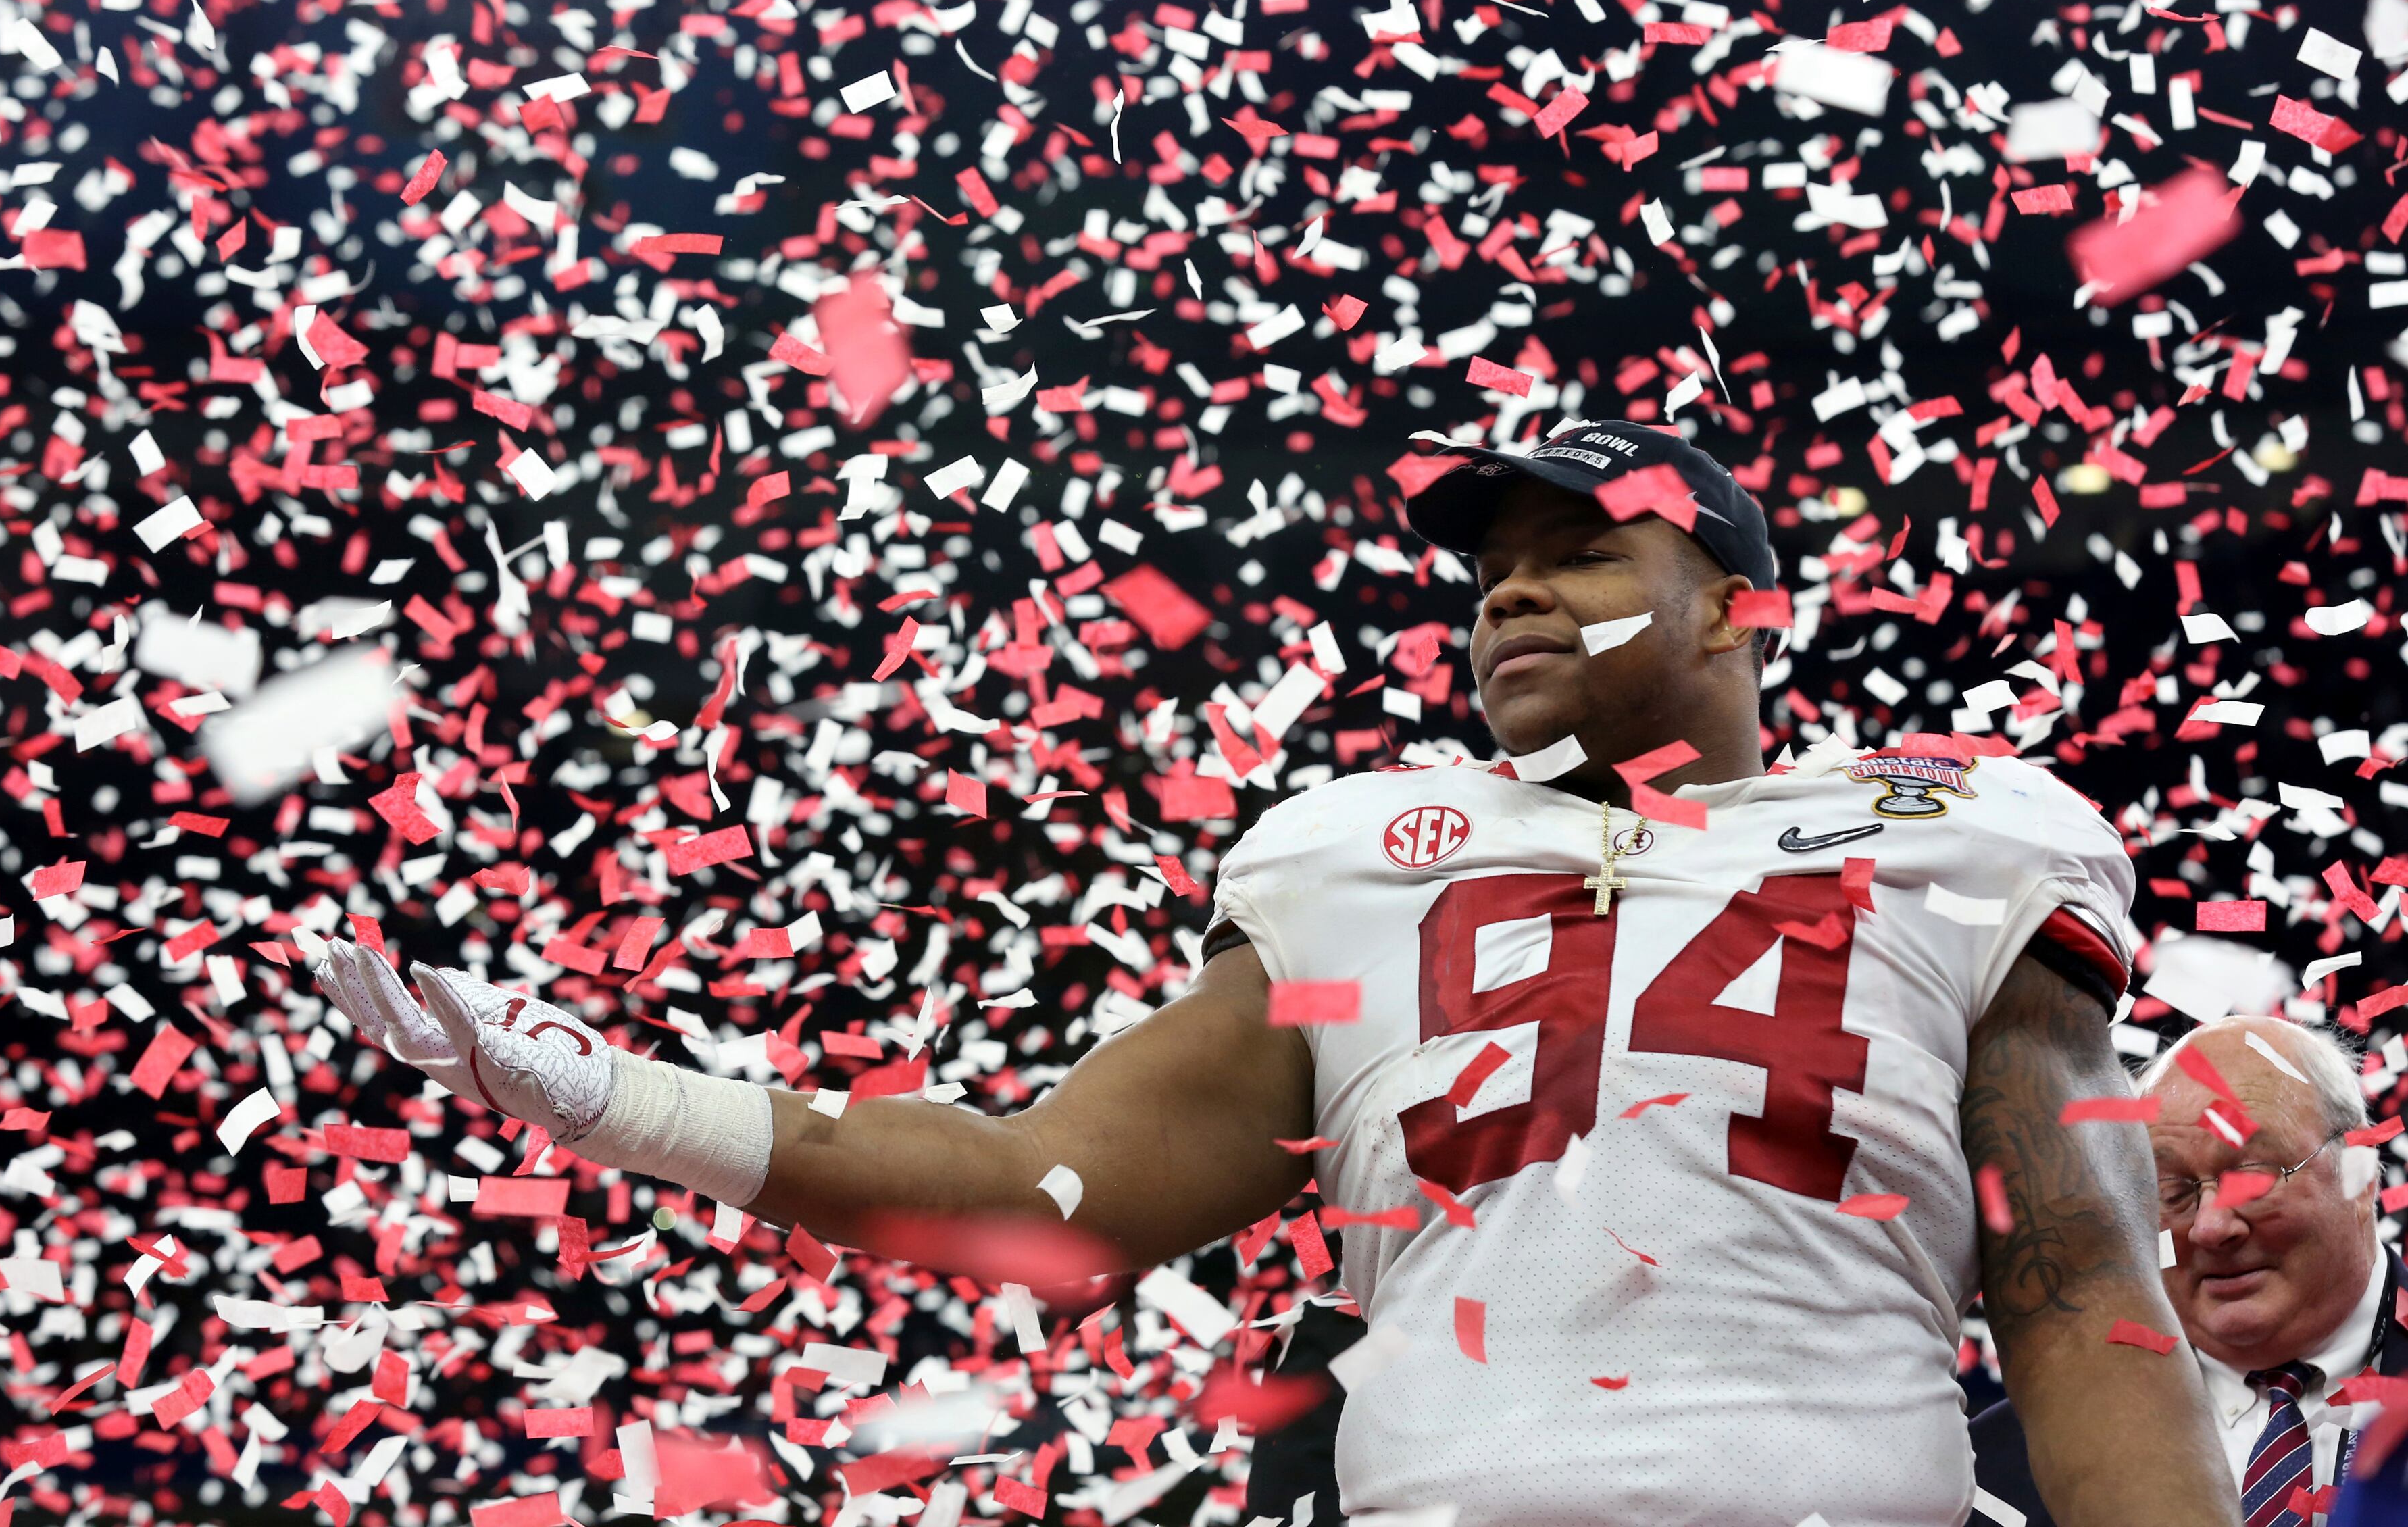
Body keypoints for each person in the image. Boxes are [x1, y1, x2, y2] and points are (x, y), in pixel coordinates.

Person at [322, 419, 2242, 1527]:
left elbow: (2081, 1293)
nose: (1505, 593)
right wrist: (606, 1097)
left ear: (1742, 610)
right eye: (1488, 567)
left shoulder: (1964, 836)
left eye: (1576, 553)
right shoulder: (1359, 862)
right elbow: (1040, 1196)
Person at [1971, 1018, 2404, 1527]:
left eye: (2253, 1176)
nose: (2210, 1227)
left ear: (2361, 1171)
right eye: (2171, 1193)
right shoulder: (1998, 1472)